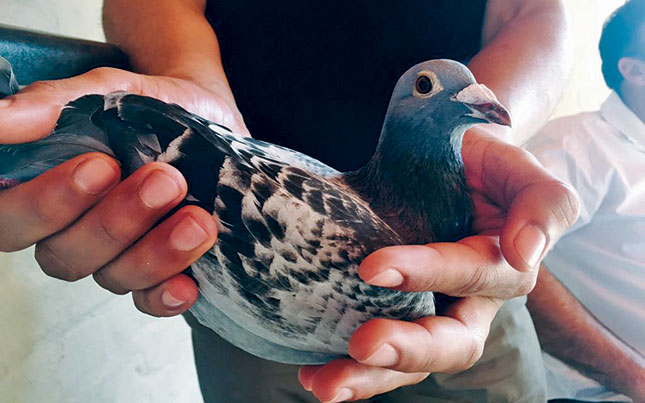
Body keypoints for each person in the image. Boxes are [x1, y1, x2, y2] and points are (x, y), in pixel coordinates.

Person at [0, 0, 578, 401]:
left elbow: (535, 11)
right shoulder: (352, 243)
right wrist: (185, 79)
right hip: (250, 280)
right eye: (429, 89)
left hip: (470, 272)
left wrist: (482, 144)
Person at [526, 1, 645, 401]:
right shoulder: (577, 146)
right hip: (602, 393)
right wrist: (637, 381)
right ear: (635, 70)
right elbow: (510, 265)